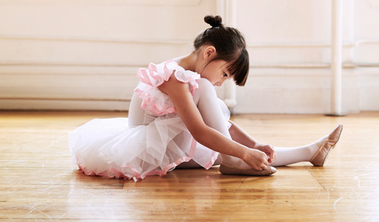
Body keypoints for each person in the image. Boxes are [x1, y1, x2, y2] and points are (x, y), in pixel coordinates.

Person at [68, 15, 342, 181]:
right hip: (151, 152)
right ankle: (241, 161)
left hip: (169, 143)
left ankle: (310, 152)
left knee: (236, 151)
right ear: (209, 53)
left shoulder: (192, 79)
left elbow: (224, 126)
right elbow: (200, 130)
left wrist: (252, 144)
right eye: (224, 74)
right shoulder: (175, 76)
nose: (221, 82)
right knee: (232, 153)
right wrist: (243, 152)